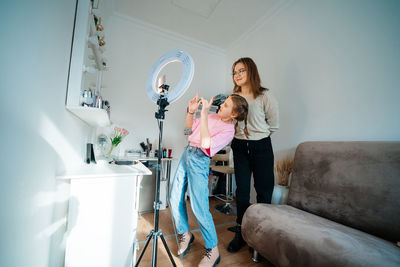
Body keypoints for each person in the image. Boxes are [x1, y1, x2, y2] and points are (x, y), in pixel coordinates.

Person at [169, 93, 248, 267]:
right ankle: (185, 234)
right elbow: (187, 131)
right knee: (174, 198)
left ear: (233, 115)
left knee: (199, 208)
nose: (221, 106)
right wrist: (191, 113)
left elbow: (205, 144)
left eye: (226, 105)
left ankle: (213, 249)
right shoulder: (212, 116)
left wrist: (203, 114)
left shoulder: (228, 132)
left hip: (199, 160)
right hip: (187, 153)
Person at [227, 57, 279, 253]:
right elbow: (230, 123)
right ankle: (240, 232)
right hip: (239, 147)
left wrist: (258, 139)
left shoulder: (265, 95)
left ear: (251, 71)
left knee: (263, 192)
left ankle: (260, 236)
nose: (237, 75)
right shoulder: (233, 96)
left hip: (261, 147)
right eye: (234, 72)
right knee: (241, 193)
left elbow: (273, 124)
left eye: (241, 70)